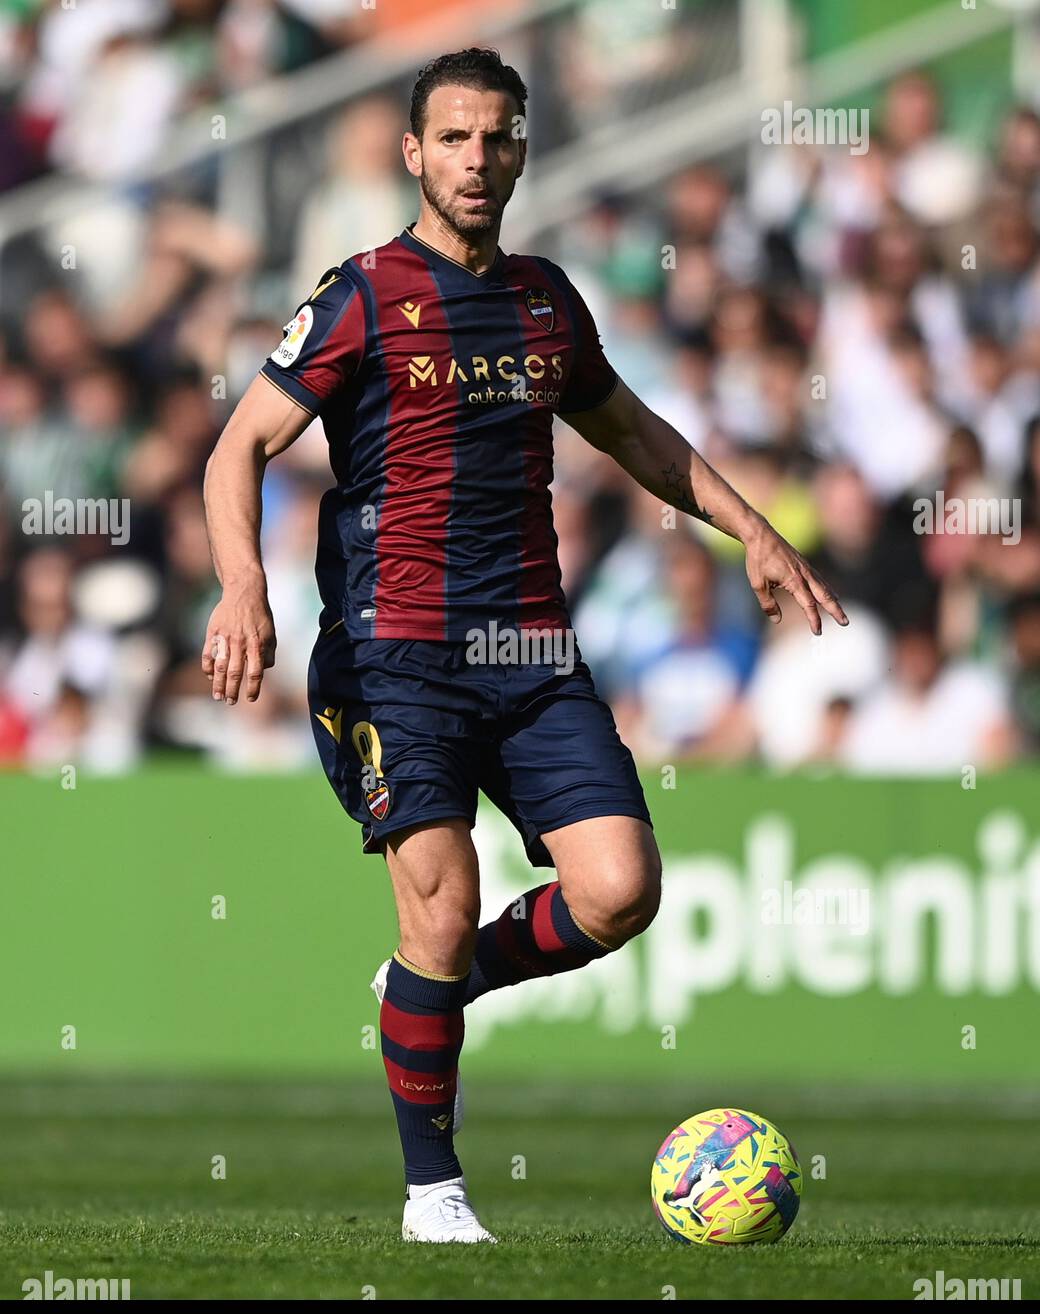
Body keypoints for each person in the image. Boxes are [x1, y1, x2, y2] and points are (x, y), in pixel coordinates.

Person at [200, 47, 847, 1244]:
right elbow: (235, 446)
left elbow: (635, 433)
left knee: (618, 891)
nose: (476, 158)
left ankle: (425, 993)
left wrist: (750, 529)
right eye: (452, 137)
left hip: (530, 655)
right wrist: (243, 588)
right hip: (394, 655)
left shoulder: (547, 299)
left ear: (522, 148)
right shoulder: (359, 295)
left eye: (497, 136)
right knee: (440, 909)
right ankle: (432, 1195)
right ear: (413, 153)